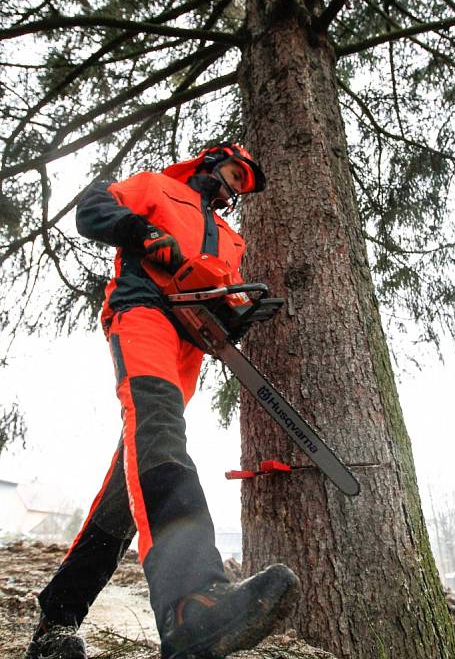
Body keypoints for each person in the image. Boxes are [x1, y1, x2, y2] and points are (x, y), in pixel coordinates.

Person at [25, 143, 300, 659]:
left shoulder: (232, 240)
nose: (234, 188)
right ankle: (190, 602)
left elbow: (218, 295)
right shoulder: (157, 186)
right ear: (210, 161)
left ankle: (55, 621)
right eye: (234, 174)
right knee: (159, 434)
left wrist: (236, 314)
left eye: (243, 185)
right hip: (143, 311)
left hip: (188, 342)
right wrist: (148, 236)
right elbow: (94, 208)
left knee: (131, 479)